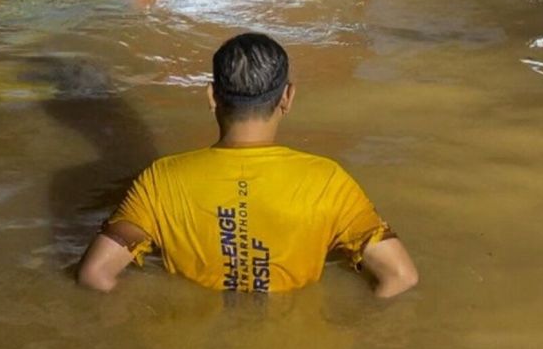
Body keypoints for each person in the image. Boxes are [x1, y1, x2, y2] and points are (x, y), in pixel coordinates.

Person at [78, 32, 418, 297]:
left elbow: (95, 274)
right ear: (287, 97)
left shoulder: (161, 180)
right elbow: (401, 277)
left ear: (211, 96)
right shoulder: (327, 181)